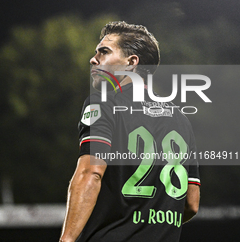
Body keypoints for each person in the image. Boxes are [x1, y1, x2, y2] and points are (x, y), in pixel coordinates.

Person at [59, 21, 200, 242]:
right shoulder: (181, 119)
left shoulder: (103, 103)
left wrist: (66, 240)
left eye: (104, 52)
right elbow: (191, 203)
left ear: (131, 62)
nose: (93, 59)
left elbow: (91, 173)